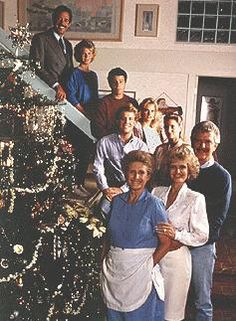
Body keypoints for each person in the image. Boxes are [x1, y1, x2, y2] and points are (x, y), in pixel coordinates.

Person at [100, 150, 172, 321]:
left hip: (140, 273)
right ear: (125, 173)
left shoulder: (154, 205)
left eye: (142, 172)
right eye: (132, 172)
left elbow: (166, 242)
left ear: (148, 176)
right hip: (114, 272)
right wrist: (102, 262)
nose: (136, 177)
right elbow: (108, 237)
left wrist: (148, 266)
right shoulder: (116, 201)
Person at [152, 145, 209, 321]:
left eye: (182, 167)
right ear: (168, 169)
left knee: (172, 314)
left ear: (189, 169)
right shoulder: (156, 192)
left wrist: (176, 235)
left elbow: (202, 235)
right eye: (173, 166)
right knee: (152, 310)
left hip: (176, 262)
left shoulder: (195, 198)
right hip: (153, 258)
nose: (178, 171)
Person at [188, 121, 232, 321]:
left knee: (201, 301)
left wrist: (195, 240)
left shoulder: (222, 177)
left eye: (208, 142)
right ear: (191, 142)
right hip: (177, 243)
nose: (202, 146)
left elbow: (218, 219)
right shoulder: (184, 171)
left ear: (216, 145)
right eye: (198, 141)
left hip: (202, 247)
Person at [93, 104, 148, 215]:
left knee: (134, 214)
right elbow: (97, 167)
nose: (126, 122)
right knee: (103, 209)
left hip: (135, 188)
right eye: (123, 118)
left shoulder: (141, 146)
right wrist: (105, 189)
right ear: (118, 121)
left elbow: (143, 174)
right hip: (111, 187)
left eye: (130, 119)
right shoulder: (104, 142)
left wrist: (123, 190)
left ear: (135, 122)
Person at [66, 39, 99, 196]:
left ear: (93, 55)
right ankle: (73, 184)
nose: (86, 56)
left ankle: (80, 183)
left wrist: (93, 114)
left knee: (86, 152)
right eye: (83, 53)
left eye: (89, 53)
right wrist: (83, 111)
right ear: (79, 55)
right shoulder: (74, 73)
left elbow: (95, 97)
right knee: (76, 153)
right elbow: (71, 96)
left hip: (89, 119)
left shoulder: (93, 75)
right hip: (76, 119)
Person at [29, 5, 73, 101]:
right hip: (49, 91)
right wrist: (56, 85)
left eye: (66, 20)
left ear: (69, 24)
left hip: (65, 94)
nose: (62, 23)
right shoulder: (41, 39)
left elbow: (70, 71)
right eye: (59, 19)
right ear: (53, 20)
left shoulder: (68, 45)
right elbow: (37, 66)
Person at [91, 67, 139, 139]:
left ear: (125, 82)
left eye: (121, 81)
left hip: (130, 142)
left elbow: (137, 126)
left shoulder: (132, 102)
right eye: (114, 82)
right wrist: (115, 139)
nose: (118, 85)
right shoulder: (102, 103)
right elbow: (97, 129)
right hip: (109, 143)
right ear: (109, 83)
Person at [153, 113, 190, 186]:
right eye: (166, 127)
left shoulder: (186, 149)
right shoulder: (160, 149)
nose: (169, 130)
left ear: (180, 128)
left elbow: (190, 175)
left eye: (172, 127)